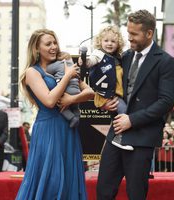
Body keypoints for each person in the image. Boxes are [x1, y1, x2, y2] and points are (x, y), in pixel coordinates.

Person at [97, 9, 174, 200]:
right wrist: (108, 103)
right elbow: (113, 87)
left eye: (134, 34)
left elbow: (166, 102)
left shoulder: (166, 62)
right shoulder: (124, 57)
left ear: (149, 34)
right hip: (115, 136)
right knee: (103, 191)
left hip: (142, 139)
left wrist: (131, 120)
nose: (129, 38)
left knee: (136, 194)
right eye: (128, 33)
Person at [16, 28, 94, 199]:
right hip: (48, 130)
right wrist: (67, 76)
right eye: (48, 44)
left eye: (55, 42)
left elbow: (90, 93)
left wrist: (71, 100)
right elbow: (50, 101)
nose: (54, 47)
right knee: (52, 179)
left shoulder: (63, 66)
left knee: (68, 177)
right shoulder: (32, 72)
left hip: (68, 129)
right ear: (37, 48)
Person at [78, 25, 133, 150]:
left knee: (124, 112)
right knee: (124, 112)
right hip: (109, 95)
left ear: (118, 43)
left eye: (113, 41)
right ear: (100, 42)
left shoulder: (118, 58)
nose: (109, 44)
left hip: (115, 94)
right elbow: (91, 61)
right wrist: (85, 61)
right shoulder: (99, 54)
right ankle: (119, 138)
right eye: (106, 40)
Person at [46, 52, 80, 128]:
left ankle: (72, 118)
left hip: (66, 90)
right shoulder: (73, 65)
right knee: (75, 107)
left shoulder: (59, 63)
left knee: (62, 107)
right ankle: (77, 116)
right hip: (77, 90)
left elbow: (47, 69)